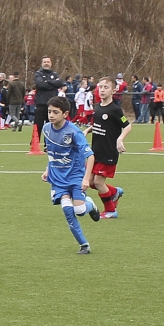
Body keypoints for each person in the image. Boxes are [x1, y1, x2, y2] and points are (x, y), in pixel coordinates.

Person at [42, 96, 100, 254]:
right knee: (68, 210)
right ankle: (84, 245)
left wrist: (86, 179)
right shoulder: (46, 129)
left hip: (75, 177)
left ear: (65, 114)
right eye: (49, 111)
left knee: (80, 210)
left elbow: (90, 156)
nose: (51, 115)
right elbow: (52, 152)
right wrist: (48, 169)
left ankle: (90, 205)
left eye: (55, 112)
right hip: (57, 178)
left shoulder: (74, 132)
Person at [88, 76, 131, 219]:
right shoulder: (98, 107)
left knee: (98, 182)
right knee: (90, 182)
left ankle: (110, 210)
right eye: (100, 87)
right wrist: (88, 130)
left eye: (106, 87)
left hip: (108, 152)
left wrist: (120, 139)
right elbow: (98, 125)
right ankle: (114, 192)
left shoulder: (115, 110)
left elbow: (127, 125)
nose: (102, 90)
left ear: (114, 90)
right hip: (96, 151)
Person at [32, 57, 64, 143]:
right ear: (42, 64)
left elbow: (60, 83)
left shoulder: (55, 74)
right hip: (41, 104)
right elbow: (40, 84)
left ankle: (49, 144)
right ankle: (35, 144)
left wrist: (47, 82)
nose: (46, 63)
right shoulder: (38, 74)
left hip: (52, 104)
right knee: (38, 125)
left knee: (51, 126)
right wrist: (53, 83)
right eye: (45, 62)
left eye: (48, 62)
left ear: (51, 63)